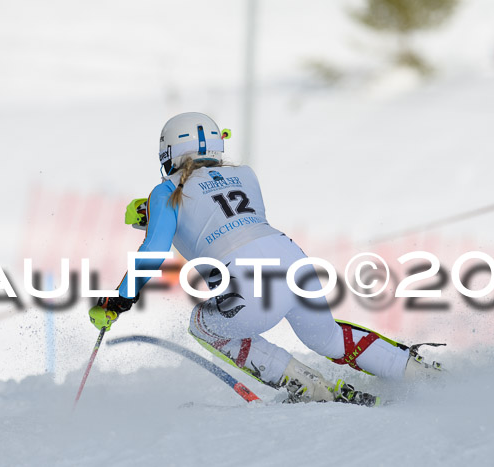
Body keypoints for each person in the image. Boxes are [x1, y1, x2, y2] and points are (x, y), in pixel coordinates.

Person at [89, 112, 442, 406]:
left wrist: (120, 298)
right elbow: (221, 213)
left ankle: (310, 388)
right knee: (327, 338)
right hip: (293, 261)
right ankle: (419, 373)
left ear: (168, 154)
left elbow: (155, 250)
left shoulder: (165, 192)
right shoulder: (245, 174)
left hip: (248, 279)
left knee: (203, 325)